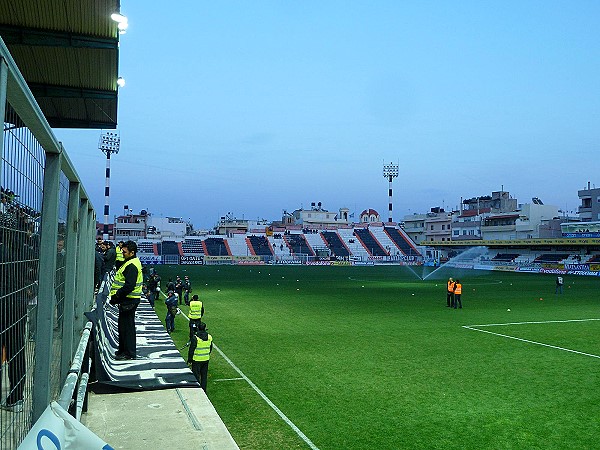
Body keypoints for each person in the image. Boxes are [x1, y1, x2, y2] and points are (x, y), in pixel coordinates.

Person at [109, 240, 142, 360]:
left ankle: (128, 353)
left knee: (126, 328)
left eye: (124, 252)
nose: (122, 253)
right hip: (128, 300)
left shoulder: (131, 265)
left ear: (132, 253)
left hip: (129, 300)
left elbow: (129, 286)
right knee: (124, 327)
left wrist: (117, 296)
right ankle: (124, 350)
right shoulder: (130, 263)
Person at [187, 322, 213, 392]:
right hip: (206, 359)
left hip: (196, 359)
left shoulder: (195, 338)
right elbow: (210, 348)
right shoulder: (209, 337)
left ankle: (197, 390)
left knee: (196, 376)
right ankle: (203, 390)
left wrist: (189, 359)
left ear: (198, 328)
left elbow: (191, 349)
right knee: (204, 376)